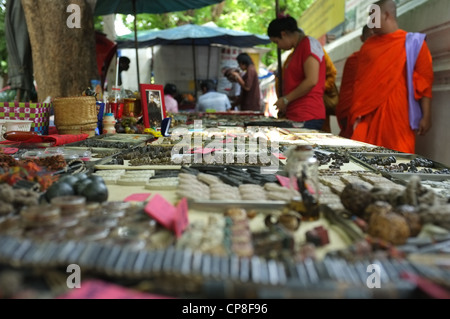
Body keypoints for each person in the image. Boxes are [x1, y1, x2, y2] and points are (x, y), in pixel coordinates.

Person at [348, 0, 434, 154]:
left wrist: (426, 116)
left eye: (372, 17)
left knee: (398, 163)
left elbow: (424, 81)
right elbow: (360, 85)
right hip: (369, 118)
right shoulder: (368, 47)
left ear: (386, 15)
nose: (369, 22)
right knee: (364, 161)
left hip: (399, 119)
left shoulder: (414, 43)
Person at [267, 15, 326, 130]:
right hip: (295, 114)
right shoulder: (295, 51)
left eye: (277, 42)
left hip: (308, 114)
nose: (278, 47)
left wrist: (286, 99)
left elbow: (312, 80)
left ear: (283, 34)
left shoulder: (309, 44)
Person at [336, 25, 374, 138]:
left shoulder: (386, 59)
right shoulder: (354, 60)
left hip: (376, 115)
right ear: (362, 38)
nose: (372, 41)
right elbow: (346, 93)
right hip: (353, 114)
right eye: (370, 36)